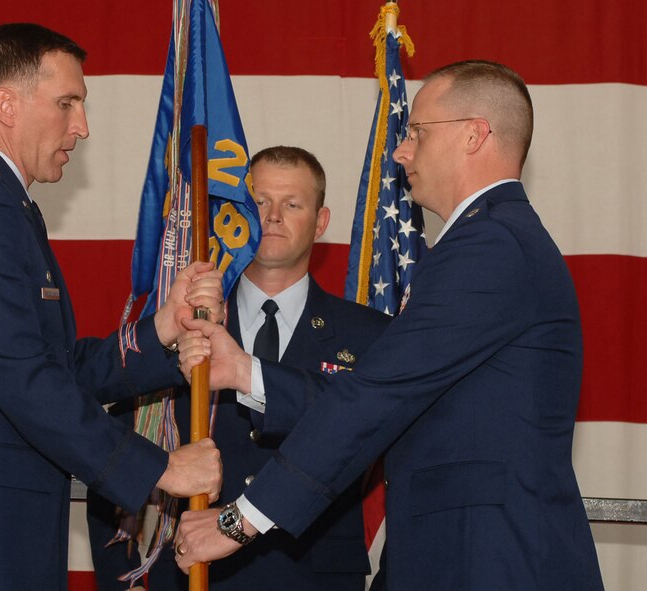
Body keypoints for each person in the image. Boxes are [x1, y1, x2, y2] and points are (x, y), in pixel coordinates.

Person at [174, 61, 605, 590]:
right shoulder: (487, 241)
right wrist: (248, 374)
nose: (402, 151)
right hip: (452, 554)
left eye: (418, 133)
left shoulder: (490, 246)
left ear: (474, 135)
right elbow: (396, 401)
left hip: (490, 559)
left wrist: (237, 521)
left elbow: (377, 397)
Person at [0, 23, 224, 591]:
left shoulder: (4, 205)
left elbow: (54, 367)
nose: (81, 126)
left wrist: (159, 331)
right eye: (67, 102)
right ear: (7, 104)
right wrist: (161, 468)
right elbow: (23, 379)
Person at [87, 146, 391, 590]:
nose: (272, 216)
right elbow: (112, 458)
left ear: (321, 222)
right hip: (191, 573)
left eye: (292, 204)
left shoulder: (371, 336)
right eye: (259, 202)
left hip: (311, 577)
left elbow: (372, 440)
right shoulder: (178, 324)